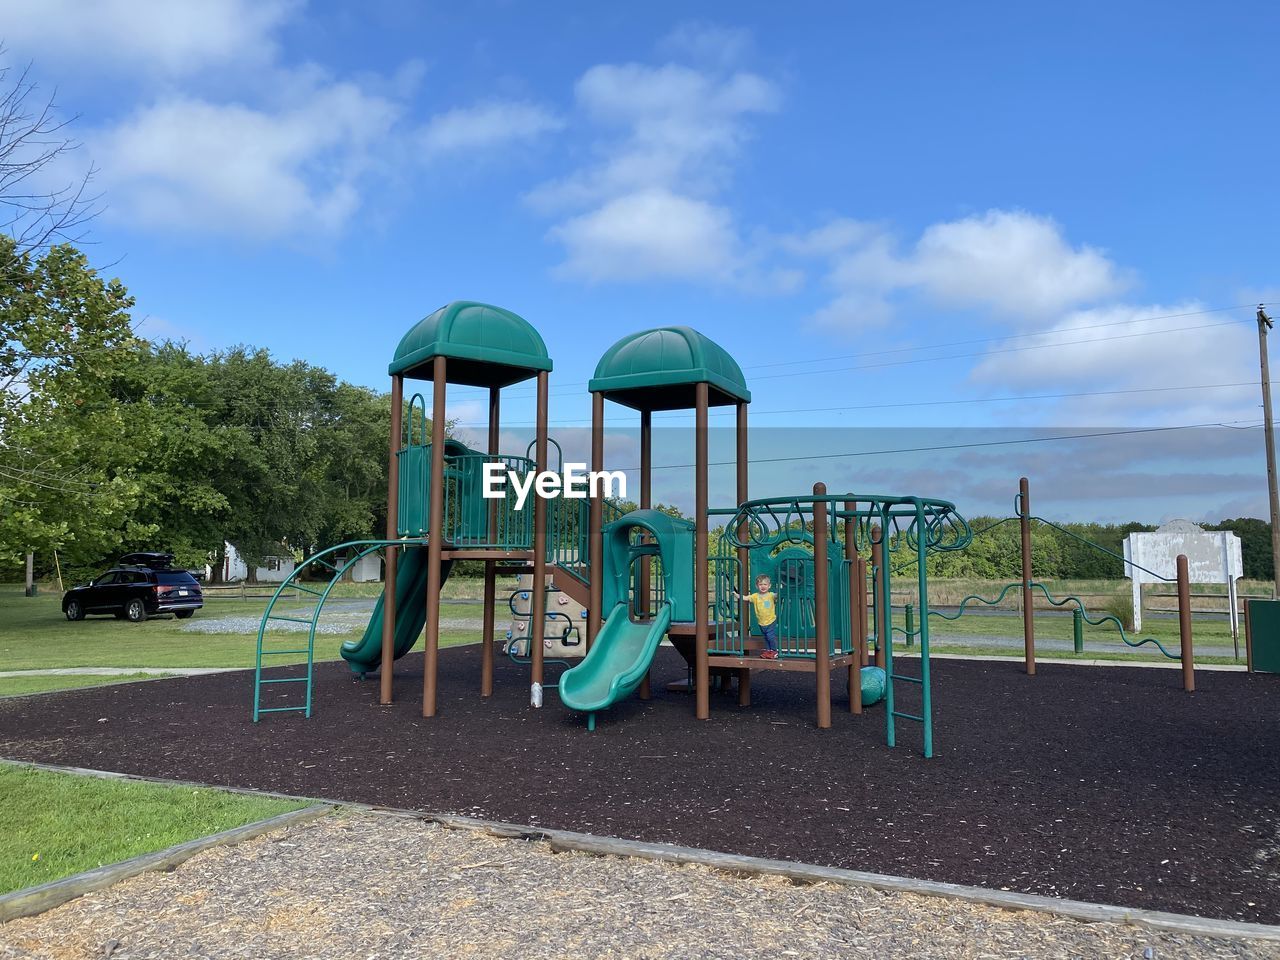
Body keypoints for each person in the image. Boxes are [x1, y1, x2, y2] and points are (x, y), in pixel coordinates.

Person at [736, 574, 780, 660]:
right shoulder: (755, 596)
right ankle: (768, 651)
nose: (763, 586)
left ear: (769, 586)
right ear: (757, 586)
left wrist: (780, 589)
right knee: (766, 637)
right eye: (760, 584)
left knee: (770, 636)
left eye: (765, 584)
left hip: (771, 620)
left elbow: (777, 595)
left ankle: (774, 651)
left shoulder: (771, 595)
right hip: (761, 622)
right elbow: (745, 598)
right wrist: (737, 595)